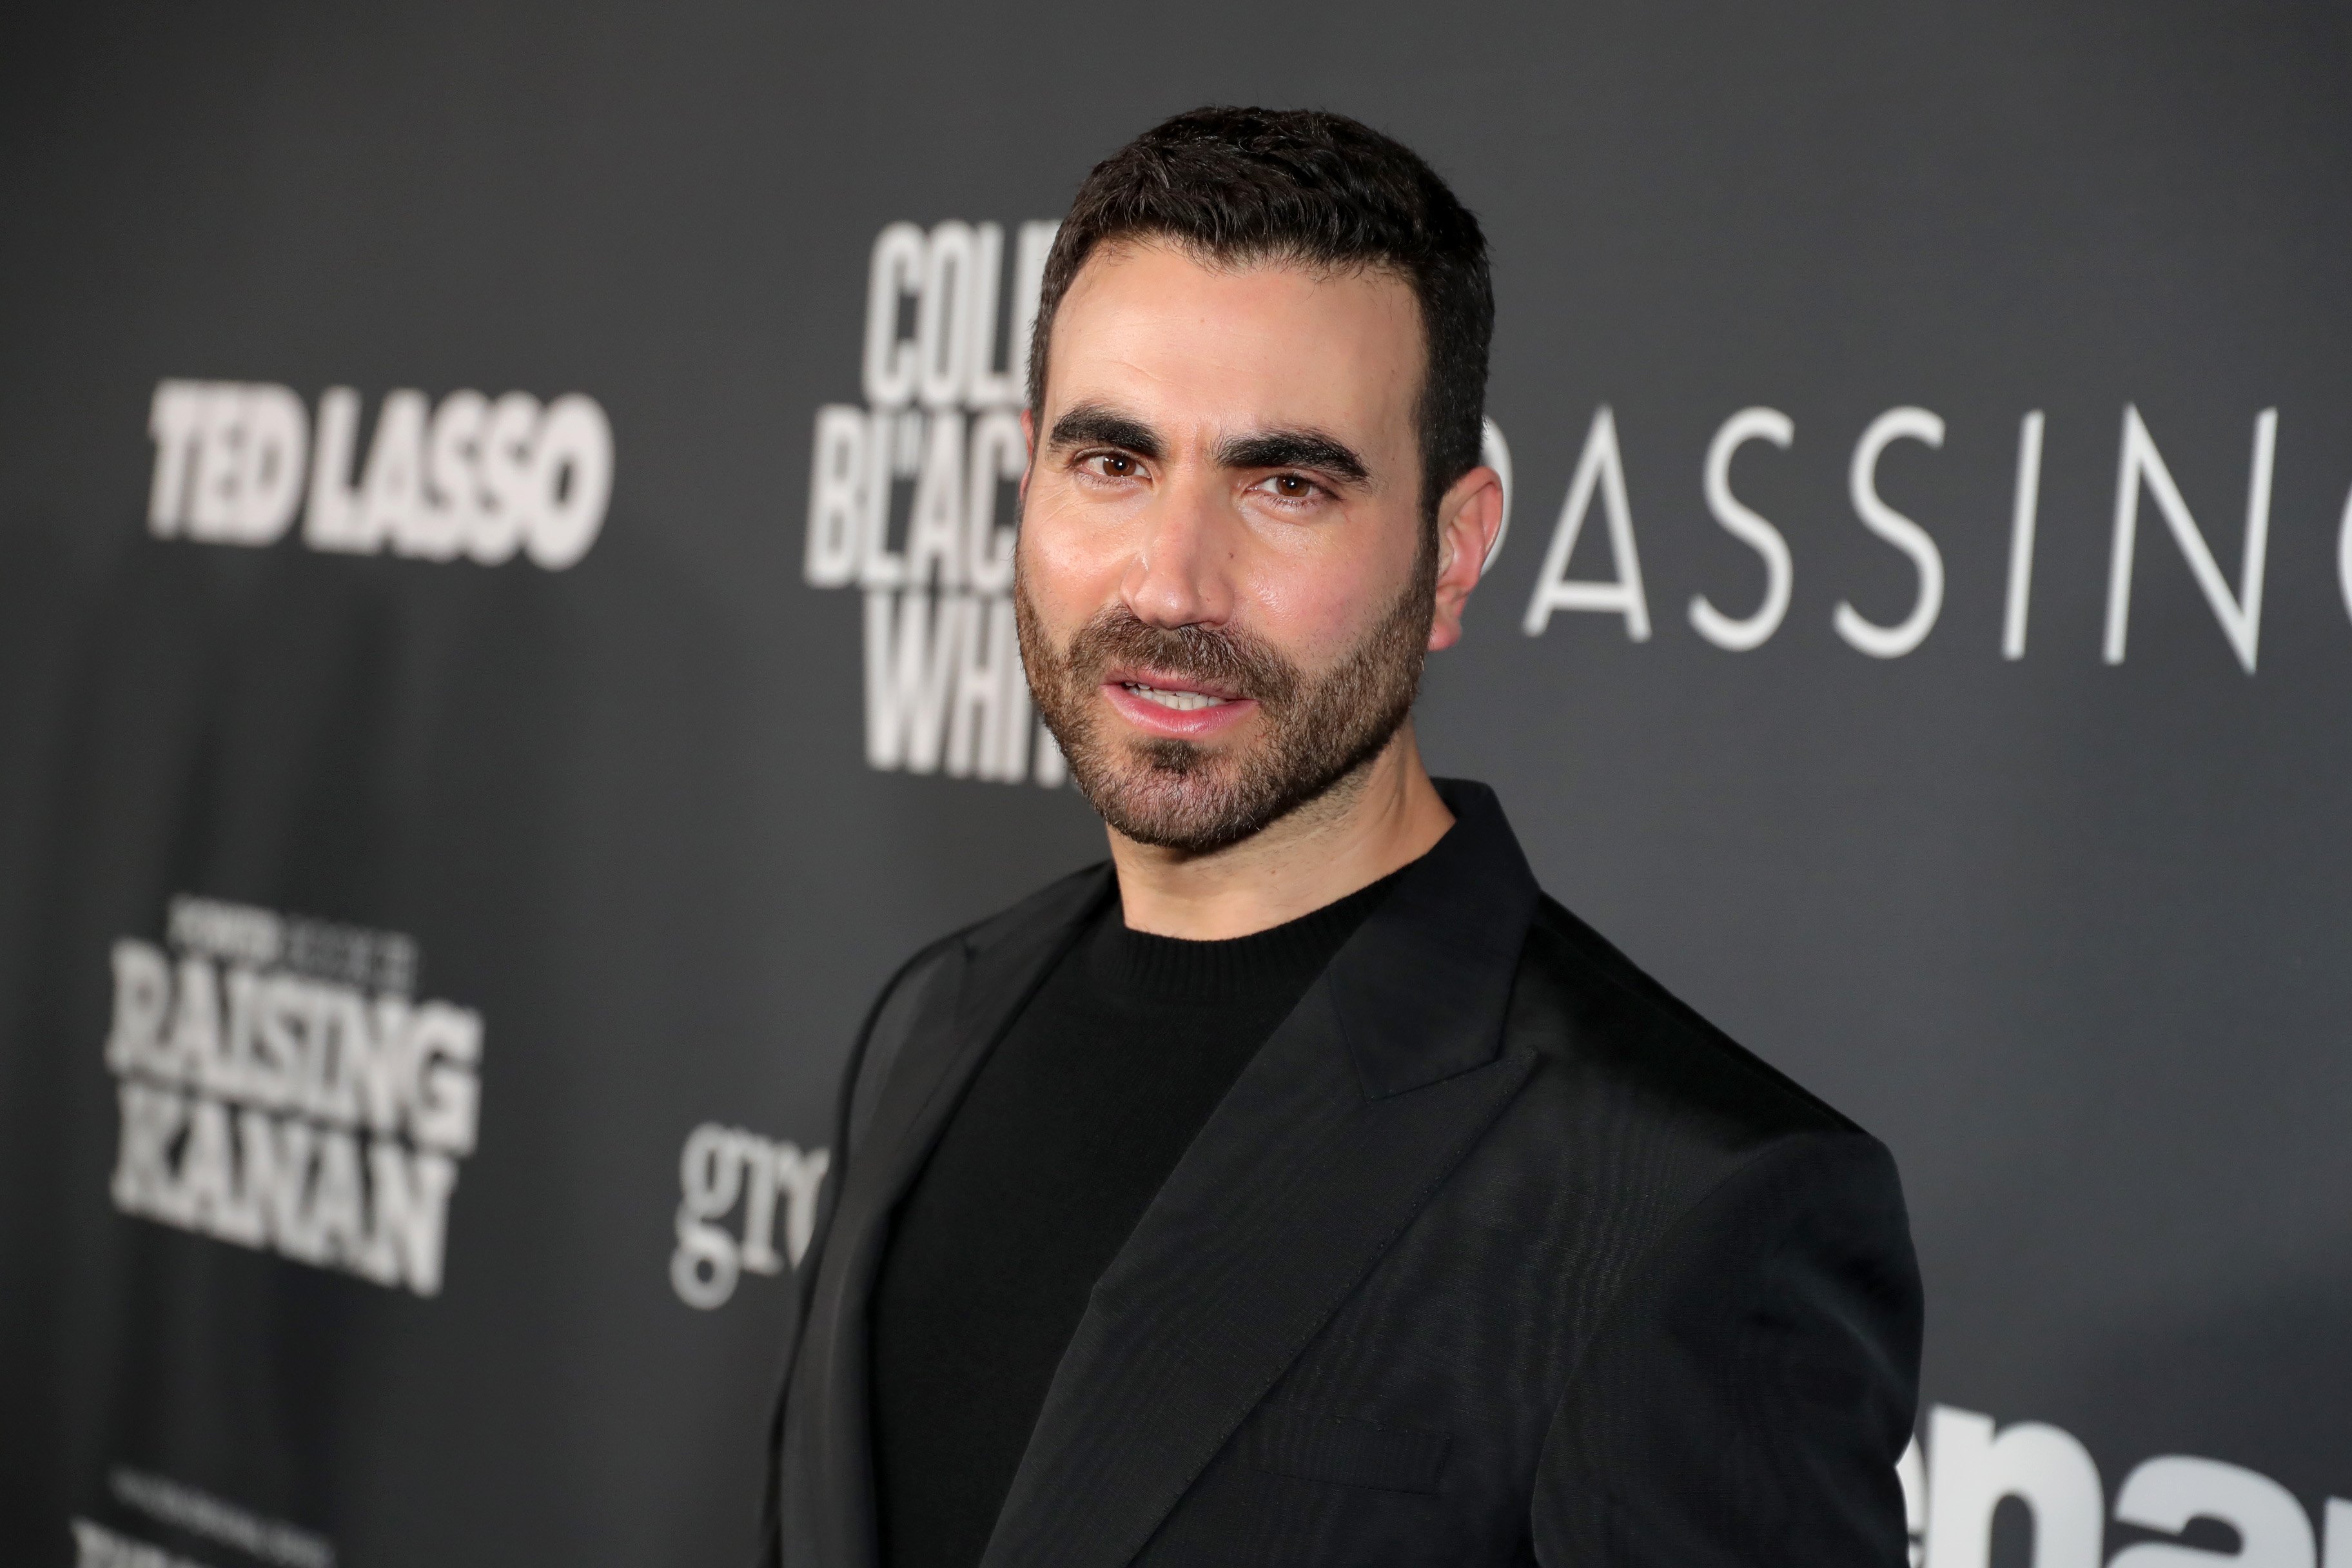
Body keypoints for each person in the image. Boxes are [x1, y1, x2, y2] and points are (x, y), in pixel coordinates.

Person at [762, 106, 1921, 1568]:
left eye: (1286, 484)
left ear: (1453, 552)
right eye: (1112, 462)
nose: (1172, 582)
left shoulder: (1692, 1209)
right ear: (1028, 479)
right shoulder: (934, 1020)